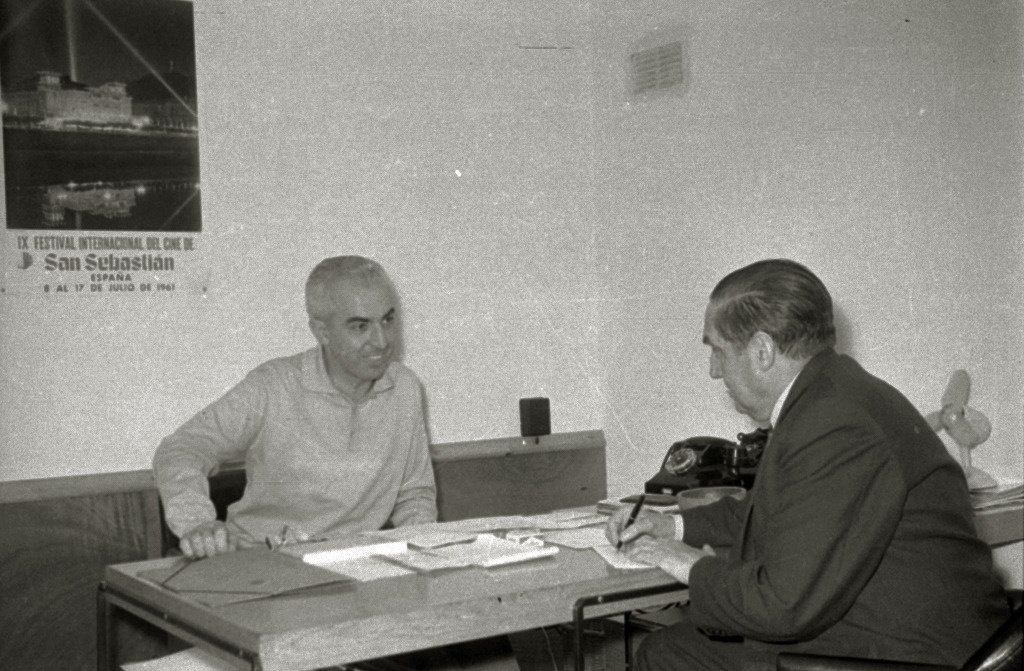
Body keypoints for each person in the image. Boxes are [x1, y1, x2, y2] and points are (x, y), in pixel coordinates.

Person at [607, 259, 1007, 670]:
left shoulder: (834, 422)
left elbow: (781, 608)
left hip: (913, 656)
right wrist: (671, 527)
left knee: (667, 654)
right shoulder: (833, 396)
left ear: (762, 351)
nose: (713, 370)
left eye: (718, 350)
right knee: (680, 645)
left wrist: (685, 562)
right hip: (894, 632)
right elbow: (773, 511)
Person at [154, 255, 437, 557]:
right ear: (322, 331)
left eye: (388, 320)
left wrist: (424, 557)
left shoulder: (405, 387)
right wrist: (197, 522)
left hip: (354, 564)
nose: (381, 341)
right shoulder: (274, 385)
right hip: (261, 561)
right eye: (360, 326)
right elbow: (181, 448)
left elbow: (414, 495)